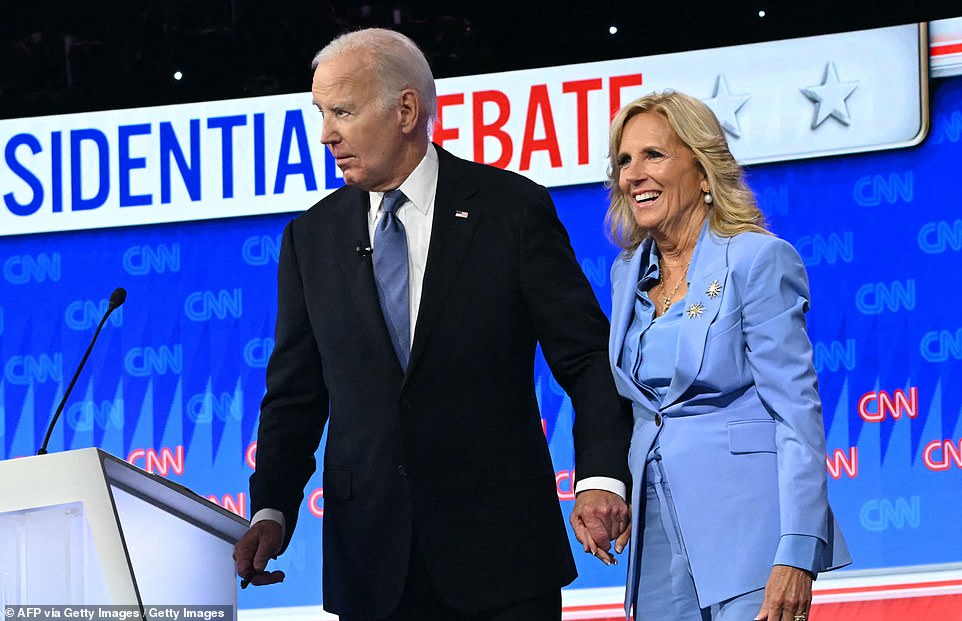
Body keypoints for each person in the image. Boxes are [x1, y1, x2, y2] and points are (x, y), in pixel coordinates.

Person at [232, 28, 632, 621]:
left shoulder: (510, 210)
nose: (326, 134)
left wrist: (601, 474)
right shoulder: (309, 239)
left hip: (501, 559)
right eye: (321, 113)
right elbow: (295, 395)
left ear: (406, 109)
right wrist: (271, 509)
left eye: (342, 111)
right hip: (370, 564)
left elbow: (586, 357)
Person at [602, 91, 851, 621]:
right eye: (624, 160)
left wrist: (798, 549)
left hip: (748, 537)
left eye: (653, 155)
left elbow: (795, 412)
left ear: (701, 167)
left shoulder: (757, 260)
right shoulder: (627, 273)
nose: (633, 174)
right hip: (656, 541)